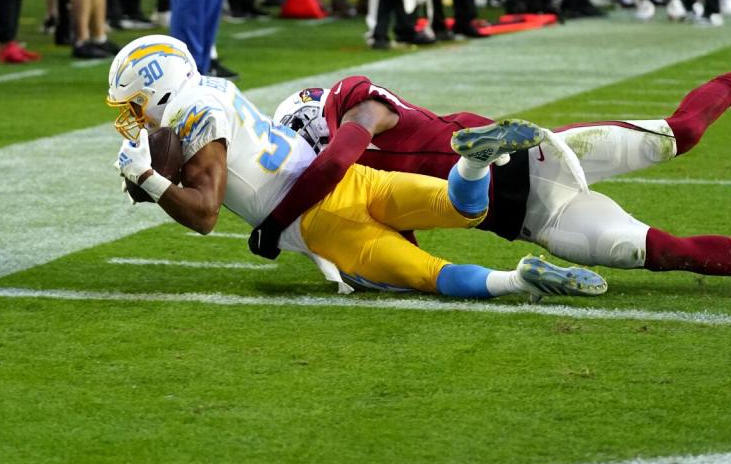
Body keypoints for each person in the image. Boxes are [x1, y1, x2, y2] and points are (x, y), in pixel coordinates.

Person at [256, 33, 731, 297]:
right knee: (661, 251)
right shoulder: (347, 172)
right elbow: (392, 232)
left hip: (541, 152)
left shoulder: (354, 106)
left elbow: (340, 154)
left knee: (678, 135)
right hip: (536, 218)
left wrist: (277, 218)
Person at [108, 34, 608, 299]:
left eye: (134, 103)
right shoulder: (213, 88)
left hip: (321, 217)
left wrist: (148, 178)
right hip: (353, 176)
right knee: (462, 205)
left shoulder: (190, 113)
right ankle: (474, 164)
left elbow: (205, 214)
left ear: (159, 89)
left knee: (431, 275)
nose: (132, 116)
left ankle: (518, 280)